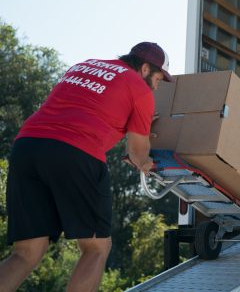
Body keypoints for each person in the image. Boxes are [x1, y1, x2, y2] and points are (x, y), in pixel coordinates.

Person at [0, 42, 172, 292]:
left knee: (26, 252)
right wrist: (149, 164)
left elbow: (86, 109)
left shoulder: (85, 66)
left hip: (27, 146)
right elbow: (137, 153)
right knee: (96, 248)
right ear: (145, 68)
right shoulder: (140, 90)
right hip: (75, 153)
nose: (157, 87)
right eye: (158, 79)